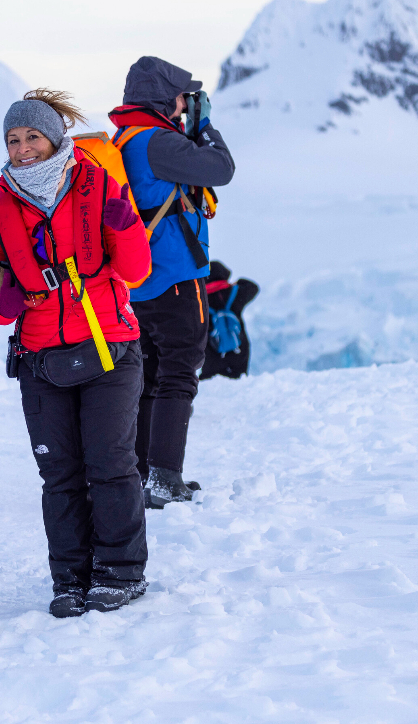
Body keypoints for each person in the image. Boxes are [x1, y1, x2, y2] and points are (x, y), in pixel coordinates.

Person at [0, 90, 152, 618]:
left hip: (110, 350)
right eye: (13, 139)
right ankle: (70, 580)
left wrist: (124, 224)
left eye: (32, 136)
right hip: (40, 361)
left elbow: (137, 272)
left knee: (112, 465)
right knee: (60, 475)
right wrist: (9, 292)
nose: (23, 148)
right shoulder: (1, 208)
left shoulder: (99, 187)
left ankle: (120, 573)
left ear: (54, 137)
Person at [110, 57, 236, 509]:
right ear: (165, 98)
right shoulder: (159, 142)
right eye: (183, 96)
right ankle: (164, 477)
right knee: (178, 374)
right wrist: (204, 127)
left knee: (146, 378)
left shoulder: (124, 140)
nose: (186, 103)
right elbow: (221, 169)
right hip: (177, 279)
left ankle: (145, 473)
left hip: (137, 282)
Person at [200, 260, 259, 380]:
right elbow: (253, 287)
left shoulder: (199, 302)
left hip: (212, 353)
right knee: (239, 380)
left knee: (209, 381)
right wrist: (237, 283)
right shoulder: (235, 293)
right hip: (238, 349)